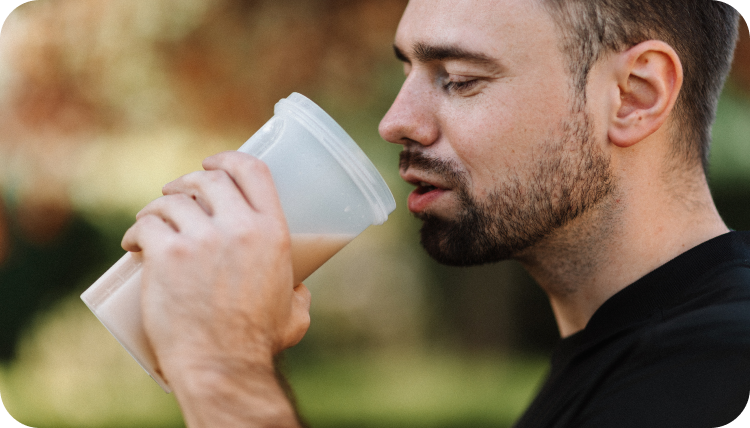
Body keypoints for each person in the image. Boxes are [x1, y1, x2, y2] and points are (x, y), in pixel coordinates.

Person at [121, 0, 750, 426]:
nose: (397, 121)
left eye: (458, 78)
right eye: (408, 70)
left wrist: (223, 370)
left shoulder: (717, 369)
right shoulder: (618, 356)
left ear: (635, 96)